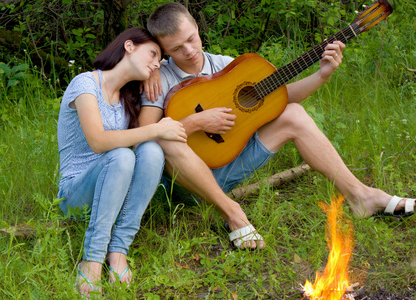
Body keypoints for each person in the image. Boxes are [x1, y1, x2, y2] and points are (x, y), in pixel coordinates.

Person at [138, 2, 415, 251]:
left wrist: (322, 74)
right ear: (163, 50)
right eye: (176, 48)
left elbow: (280, 98)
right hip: (185, 183)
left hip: (228, 165)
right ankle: (233, 214)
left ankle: (361, 196)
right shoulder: (158, 79)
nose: (188, 50)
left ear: (197, 27)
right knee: (164, 140)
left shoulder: (227, 66)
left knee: (293, 112)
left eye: (191, 39)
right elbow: (146, 139)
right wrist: (196, 121)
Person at [56, 27, 187, 297]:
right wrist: (157, 129)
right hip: (74, 195)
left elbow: (142, 143)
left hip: (112, 189)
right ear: (129, 46)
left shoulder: (129, 97)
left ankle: (118, 250)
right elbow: (98, 141)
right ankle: (91, 260)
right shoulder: (86, 84)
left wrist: (157, 73)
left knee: (151, 151)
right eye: (152, 54)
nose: (155, 63)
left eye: (159, 61)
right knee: (122, 154)